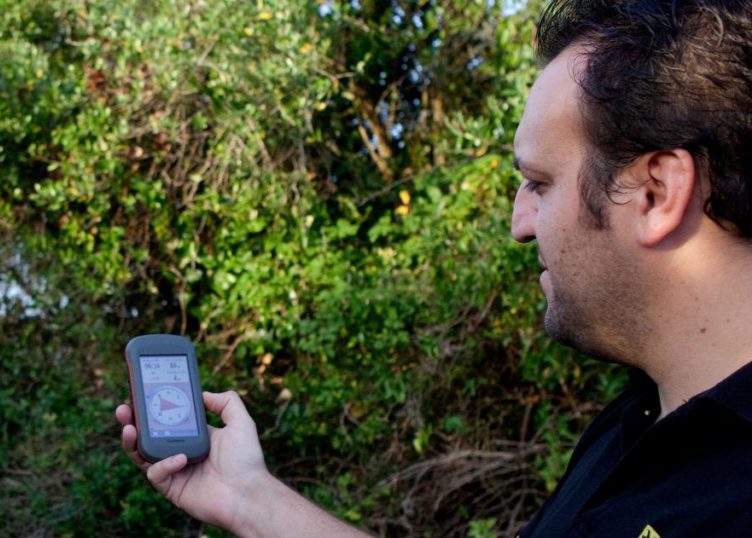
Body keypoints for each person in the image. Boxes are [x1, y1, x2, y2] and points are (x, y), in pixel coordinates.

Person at [117, 0, 752, 535]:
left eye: (539, 182)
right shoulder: (636, 423)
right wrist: (249, 497)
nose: (519, 223)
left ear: (655, 193)